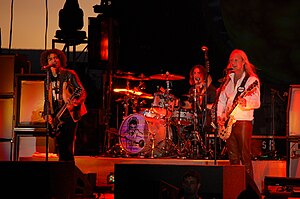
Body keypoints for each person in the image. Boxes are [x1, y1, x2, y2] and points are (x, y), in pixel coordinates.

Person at [216, 49, 261, 179]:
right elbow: (222, 100)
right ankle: (235, 187)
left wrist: (245, 101)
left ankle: (249, 190)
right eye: (231, 60)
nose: (233, 63)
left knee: (244, 156)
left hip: (243, 122)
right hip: (229, 123)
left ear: (243, 62)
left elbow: (256, 102)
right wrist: (220, 116)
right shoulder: (228, 80)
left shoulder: (251, 80)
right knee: (233, 157)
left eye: (236, 60)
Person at [40, 48, 87, 162]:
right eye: (50, 59)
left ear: (60, 59)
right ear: (47, 63)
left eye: (55, 58)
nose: (53, 60)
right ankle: (62, 169)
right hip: (57, 114)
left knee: (68, 143)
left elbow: (81, 91)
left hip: (69, 113)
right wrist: (48, 114)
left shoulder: (68, 74)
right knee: (60, 145)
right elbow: (47, 99)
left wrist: (76, 102)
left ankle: (69, 168)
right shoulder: (48, 78)